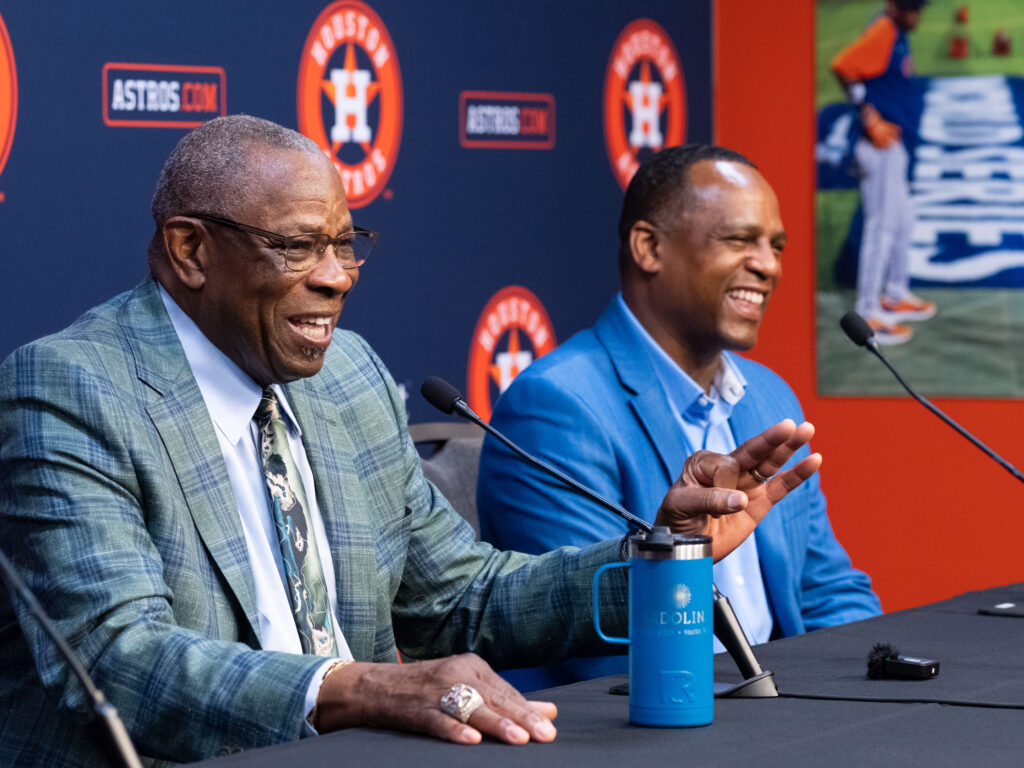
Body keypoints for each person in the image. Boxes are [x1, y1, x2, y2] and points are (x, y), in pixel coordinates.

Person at [0, 116, 820, 767]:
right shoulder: (72, 390)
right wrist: (362, 690)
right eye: (297, 247)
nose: (338, 276)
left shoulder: (347, 375)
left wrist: (664, 553)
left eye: (345, 243)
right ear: (189, 250)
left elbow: (460, 599)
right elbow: (118, 659)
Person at [478, 144, 881, 690]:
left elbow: (830, 589)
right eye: (738, 240)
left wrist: (859, 692)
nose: (768, 265)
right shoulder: (555, 406)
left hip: (779, 706)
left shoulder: (770, 397)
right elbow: (594, 638)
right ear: (649, 247)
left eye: (776, 246)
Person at [832, 0, 935, 345]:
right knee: (881, 229)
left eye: (918, 9)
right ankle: (867, 310)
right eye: (909, 8)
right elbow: (843, 66)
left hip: (896, 144)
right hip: (879, 146)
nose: (915, 15)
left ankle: (894, 293)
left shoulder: (897, 31)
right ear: (893, 6)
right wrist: (869, 116)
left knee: (902, 223)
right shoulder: (884, 30)